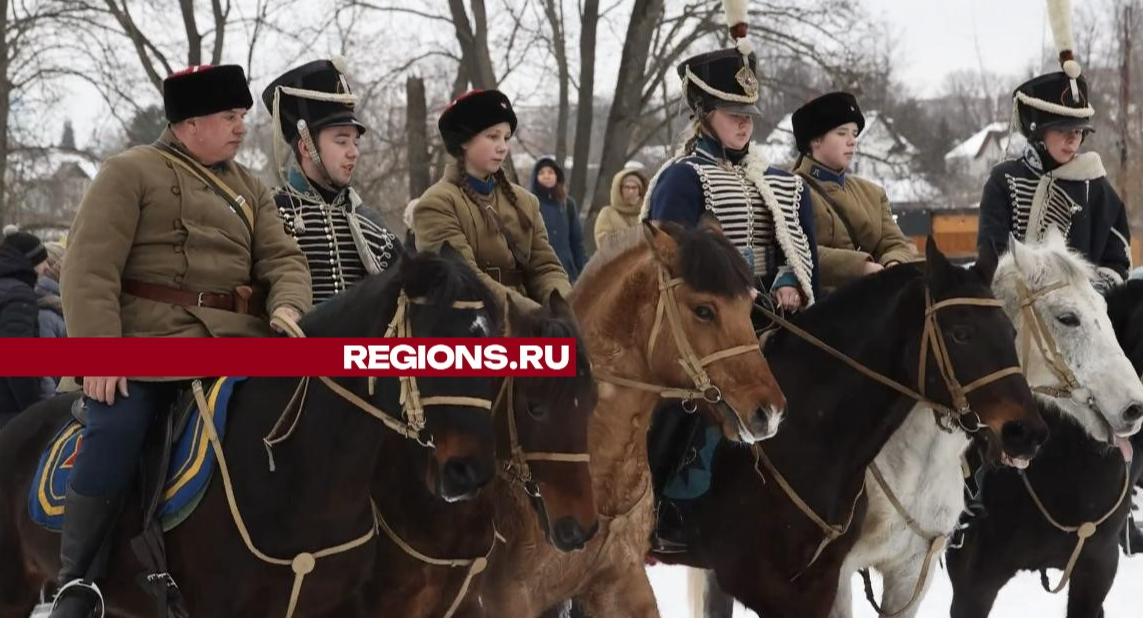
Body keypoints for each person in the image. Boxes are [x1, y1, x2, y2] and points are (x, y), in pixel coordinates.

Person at [50, 64, 311, 618]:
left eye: (242, 116)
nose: (242, 127)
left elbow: (285, 259)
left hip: (239, 345)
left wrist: (288, 305)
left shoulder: (252, 189)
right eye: (230, 117)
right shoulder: (129, 172)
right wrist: (99, 351)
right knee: (115, 427)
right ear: (190, 123)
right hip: (147, 348)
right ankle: (79, 581)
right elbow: (89, 269)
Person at [641, 1, 819, 552]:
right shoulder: (683, 177)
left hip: (781, 317)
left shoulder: (784, 183)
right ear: (703, 114)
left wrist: (791, 278)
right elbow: (666, 255)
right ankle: (663, 503)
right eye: (731, 112)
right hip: (712, 324)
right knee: (689, 405)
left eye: (749, 113)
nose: (744, 123)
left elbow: (801, 246)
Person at [976, 0, 1130, 293]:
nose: (1073, 139)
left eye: (1078, 131)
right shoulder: (1003, 181)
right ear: (1037, 132)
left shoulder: (1095, 185)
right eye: (1062, 130)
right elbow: (991, 256)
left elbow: (1117, 259)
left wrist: (1086, 294)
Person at [413, 89, 571, 310]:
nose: (503, 147)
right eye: (492, 136)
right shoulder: (436, 204)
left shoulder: (525, 201)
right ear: (465, 141)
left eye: (506, 138)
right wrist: (532, 316)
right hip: (472, 326)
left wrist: (566, 309)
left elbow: (545, 269)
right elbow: (464, 279)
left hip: (533, 326)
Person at [262, 58, 402, 304]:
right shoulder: (273, 215)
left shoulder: (368, 221)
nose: (353, 152)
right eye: (341, 141)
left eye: (355, 142)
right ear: (306, 148)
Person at [791, 92, 916, 293]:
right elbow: (798, 251)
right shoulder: (789, 189)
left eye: (855, 133)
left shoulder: (873, 193)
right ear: (815, 140)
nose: (852, 141)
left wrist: (894, 264)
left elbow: (896, 243)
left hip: (875, 305)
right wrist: (861, 267)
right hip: (818, 312)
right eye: (842, 133)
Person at [0, 228, 52, 426]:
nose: (47, 267)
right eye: (42, 260)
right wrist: (34, 410)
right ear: (28, 261)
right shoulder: (19, 293)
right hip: (9, 412)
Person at [531, 156, 587, 281]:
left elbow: (577, 242)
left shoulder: (568, 205)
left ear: (557, 176)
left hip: (567, 272)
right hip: (539, 273)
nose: (547, 176)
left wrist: (583, 270)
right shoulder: (530, 204)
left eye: (550, 172)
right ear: (535, 178)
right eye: (542, 173)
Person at [594, 167, 648, 250]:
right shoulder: (608, 214)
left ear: (640, 190)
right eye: (627, 187)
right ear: (619, 189)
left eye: (634, 188)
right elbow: (604, 242)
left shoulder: (647, 213)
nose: (631, 192)